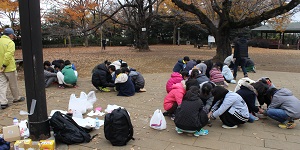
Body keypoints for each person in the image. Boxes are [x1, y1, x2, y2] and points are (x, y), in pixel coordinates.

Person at [0, 28, 25, 109]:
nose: (13, 36)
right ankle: (16, 97)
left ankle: (3, 102)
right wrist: (4, 65)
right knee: (13, 84)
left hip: (0, 68)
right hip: (9, 67)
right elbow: (8, 55)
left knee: (2, 85)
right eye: (13, 35)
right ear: (10, 34)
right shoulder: (10, 43)